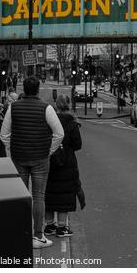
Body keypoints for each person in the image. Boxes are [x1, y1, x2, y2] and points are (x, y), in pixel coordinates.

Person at [0, 76, 64, 249]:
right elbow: (59, 134)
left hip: (19, 157)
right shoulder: (47, 108)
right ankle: (38, 236)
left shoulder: (13, 107)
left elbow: (4, 135)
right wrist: (48, 150)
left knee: (21, 196)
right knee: (38, 196)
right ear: (37, 90)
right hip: (40, 159)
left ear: (24, 89)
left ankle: (22, 233)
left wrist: (13, 147)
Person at [44, 94, 83, 237]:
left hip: (50, 160)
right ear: (69, 104)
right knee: (65, 193)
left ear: (56, 104)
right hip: (67, 162)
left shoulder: (49, 121)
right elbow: (77, 145)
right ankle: (62, 227)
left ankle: (49, 225)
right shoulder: (72, 123)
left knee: (49, 192)